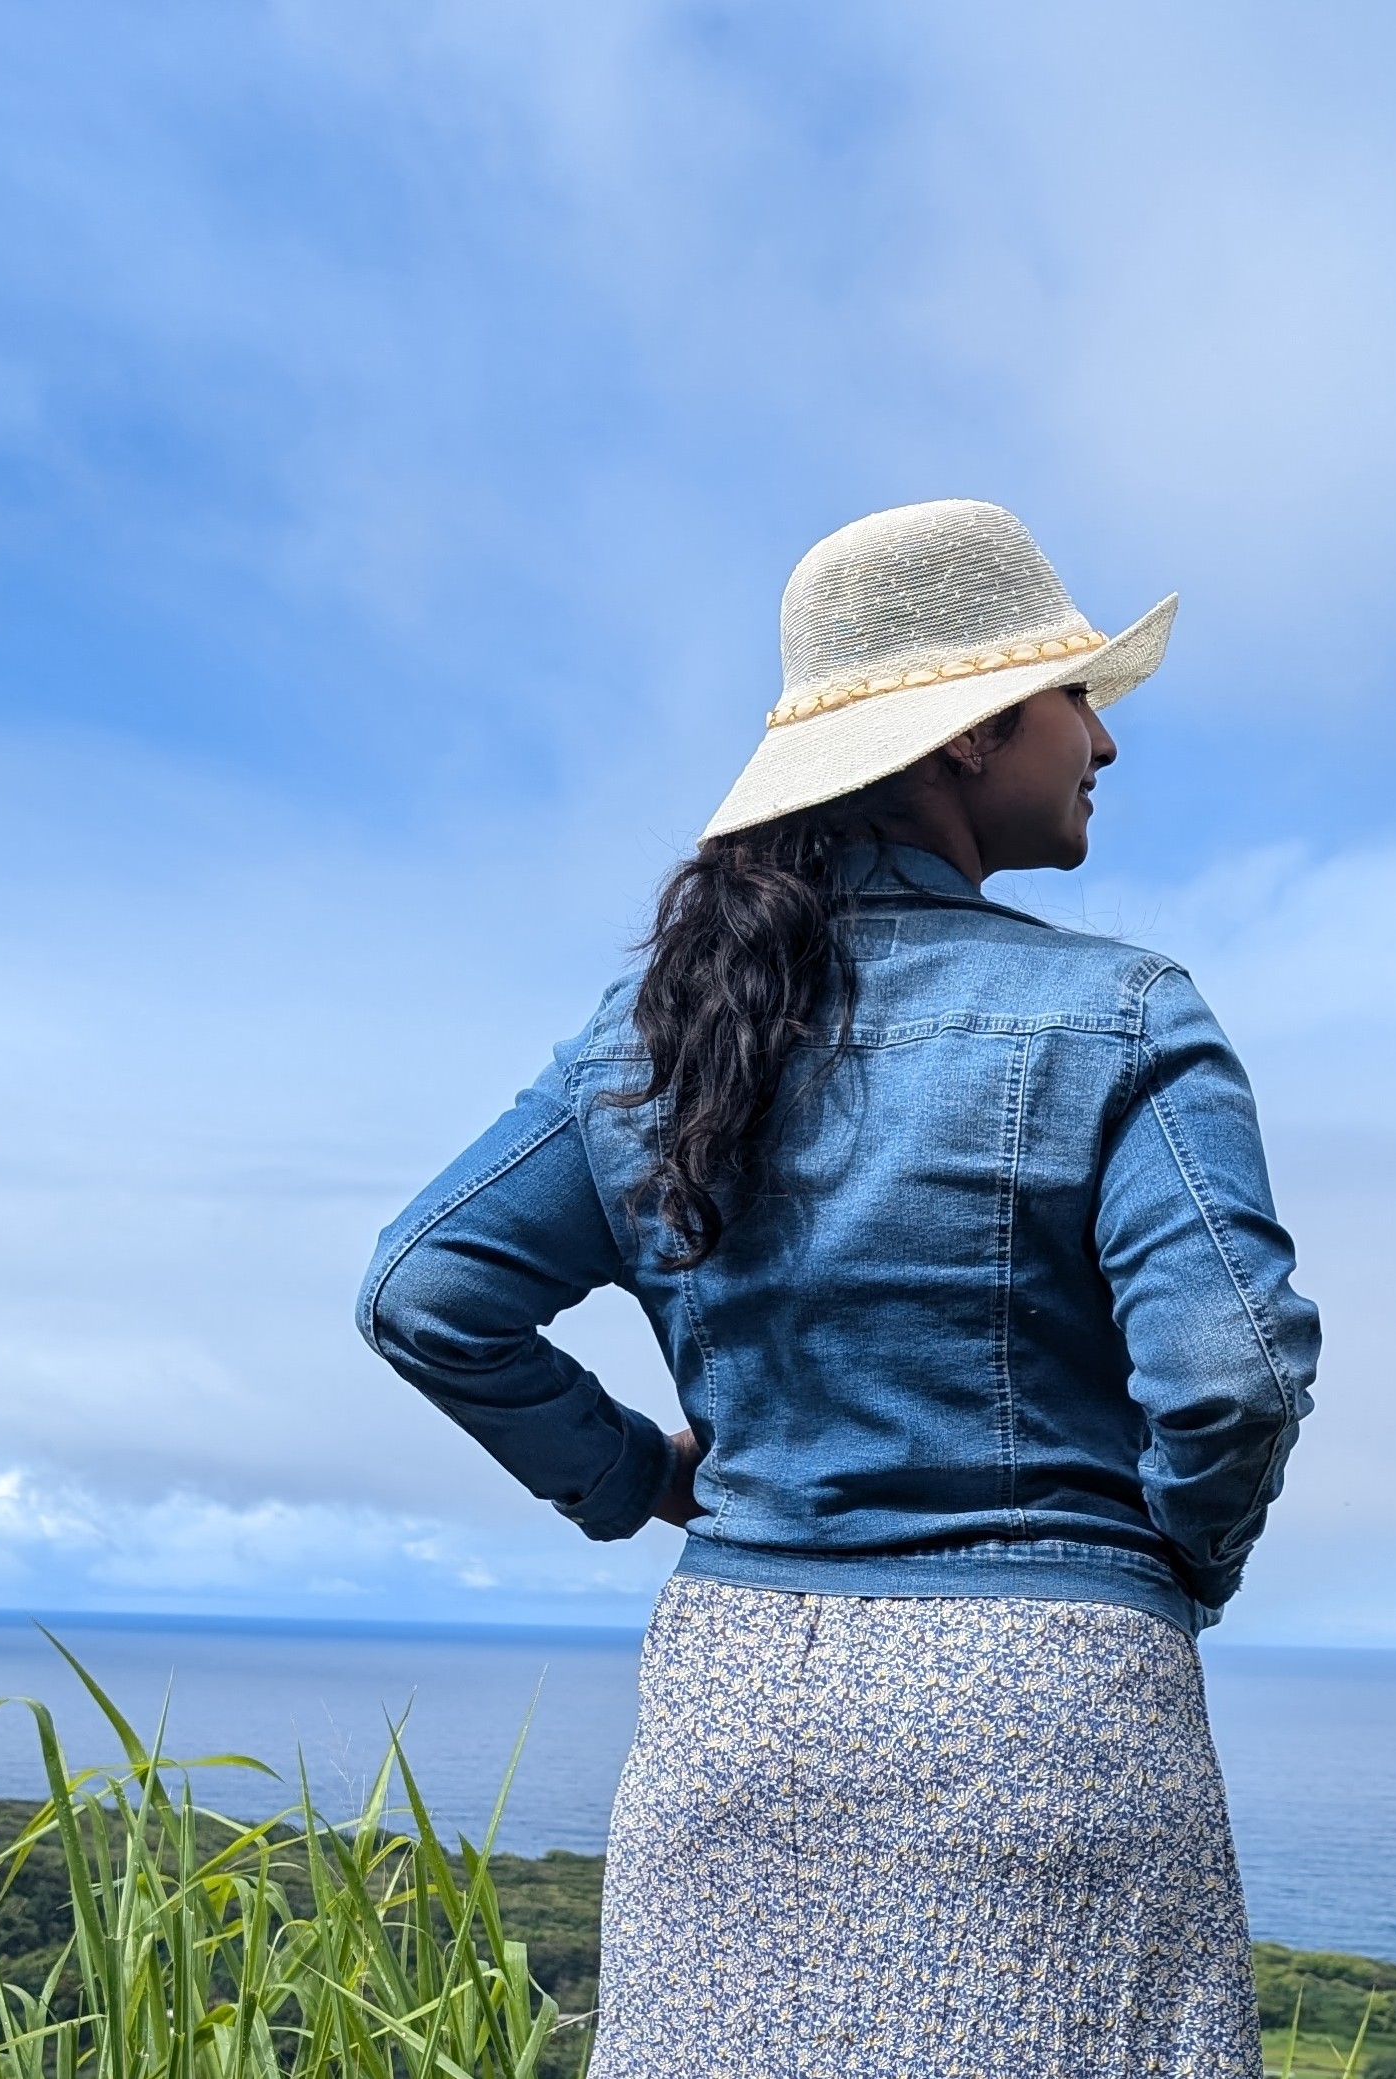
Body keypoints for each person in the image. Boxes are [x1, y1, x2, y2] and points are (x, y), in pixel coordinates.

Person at [358, 498, 1322, 2079]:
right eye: (1074, 695)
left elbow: (425, 1293)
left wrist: (633, 1476)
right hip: (1056, 1710)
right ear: (968, 733)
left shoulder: (653, 1033)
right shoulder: (1125, 1012)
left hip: (739, 1702)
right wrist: (1173, 1569)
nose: (1103, 739)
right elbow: (1232, 1374)